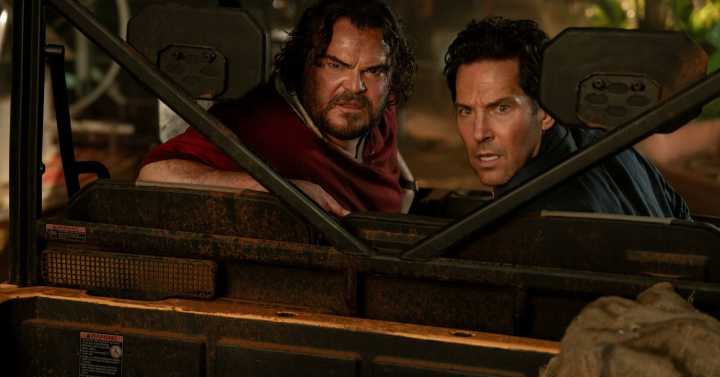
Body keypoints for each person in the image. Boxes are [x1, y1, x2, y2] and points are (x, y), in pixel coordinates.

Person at [137, 0, 416, 217]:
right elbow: (154, 176)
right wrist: (281, 188)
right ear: (304, 64)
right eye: (335, 65)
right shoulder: (260, 124)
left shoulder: (375, 103)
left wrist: (408, 187)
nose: (355, 86)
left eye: (374, 70)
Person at [443, 17, 690, 219]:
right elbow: (682, 219)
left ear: (546, 113)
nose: (479, 133)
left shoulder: (537, 220)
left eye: (501, 109)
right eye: (466, 111)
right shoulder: (615, 147)